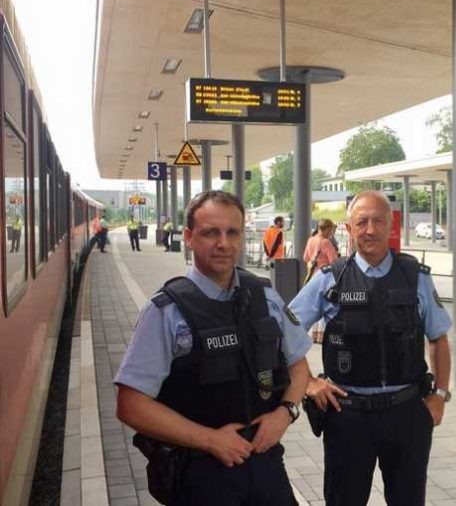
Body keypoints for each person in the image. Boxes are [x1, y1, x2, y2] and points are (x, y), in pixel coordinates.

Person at [114, 190, 311, 505]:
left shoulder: (265, 297)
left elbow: (299, 367)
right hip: (201, 474)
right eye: (210, 232)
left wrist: (285, 414)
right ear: (189, 237)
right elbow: (130, 404)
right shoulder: (166, 311)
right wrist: (210, 440)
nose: (223, 243)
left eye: (232, 232)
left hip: (266, 465)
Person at [289, 190, 452, 506]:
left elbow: (438, 338)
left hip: (407, 413)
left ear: (391, 226)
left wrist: (440, 396)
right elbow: (285, 332)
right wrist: (308, 383)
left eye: (378, 221)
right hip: (347, 416)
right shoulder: (329, 280)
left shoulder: (415, 277)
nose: (370, 229)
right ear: (348, 230)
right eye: (361, 222)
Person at [302, 219, 340, 343]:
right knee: (327, 305)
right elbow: (334, 262)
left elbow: (306, 257)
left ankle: (314, 334)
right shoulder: (326, 242)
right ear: (327, 228)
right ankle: (322, 335)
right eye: (331, 229)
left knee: (316, 305)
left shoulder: (311, 240)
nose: (332, 232)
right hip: (326, 277)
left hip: (314, 276)